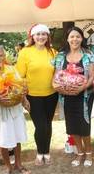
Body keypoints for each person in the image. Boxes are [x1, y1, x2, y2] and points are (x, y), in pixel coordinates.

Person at [0, 45, 30, 174]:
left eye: (1, 55)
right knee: (2, 139)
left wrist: (24, 99)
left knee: (18, 136)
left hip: (15, 108)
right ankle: (9, 167)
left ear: (5, 56)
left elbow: (20, 86)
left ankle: (18, 164)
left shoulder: (11, 69)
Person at [16, 24, 58, 166]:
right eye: (38, 34)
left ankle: (47, 152)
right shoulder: (25, 52)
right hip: (33, 96)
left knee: (48, 124)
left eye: (44, 34)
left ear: (48, 36)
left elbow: (57, 73)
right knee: (40, 126)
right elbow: (19, 76)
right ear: (32, 36)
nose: (41, 37)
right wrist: (23, 98)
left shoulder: (53, 52)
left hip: (51, 95)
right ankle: (40, 153)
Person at [53, 27, 94, 167]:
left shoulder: (88, 54)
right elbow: (56, 76)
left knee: (84, 124)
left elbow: (92, 76)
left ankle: (88, 153)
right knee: (72, 126)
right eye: (72, 37)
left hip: (84, 96)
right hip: (67, 97)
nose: (74, 39)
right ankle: (79, 153)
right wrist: (56, 85)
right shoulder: (60, 56)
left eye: (77, 36)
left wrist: (82, 87)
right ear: (67, 39)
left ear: (82, 38)